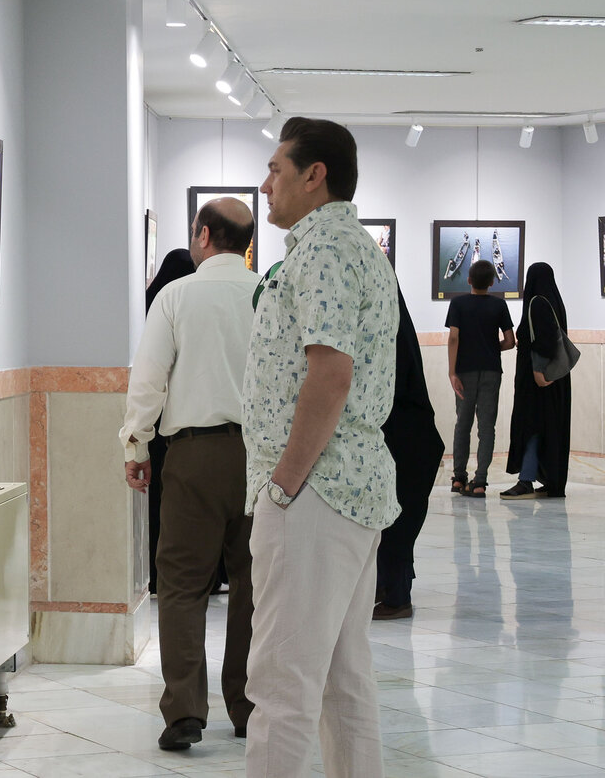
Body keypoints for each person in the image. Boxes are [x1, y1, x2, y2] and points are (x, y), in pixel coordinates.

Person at [242, 117, 399, 778]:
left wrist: (283, 483)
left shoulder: (325, 251)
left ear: (315, 175)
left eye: (275, 169)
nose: (265, 184)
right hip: (346, 489)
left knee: (282, 683)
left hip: (316, 491)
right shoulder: (352, 247)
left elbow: (331, 374)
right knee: (341, 678)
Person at [121, 198, 258, 751]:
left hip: (193, 455)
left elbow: (149, 379)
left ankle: (184, 711)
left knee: (180, 583)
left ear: (202, 235)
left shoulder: (175, 296)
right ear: (246, 242)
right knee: (253, 584)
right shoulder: (269, 294)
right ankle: (248, 705)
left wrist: (136, 443)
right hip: (262, 457)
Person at [374, 286, 445, 620]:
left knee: (395, 525)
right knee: (394, 524)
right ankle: (388, 589)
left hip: (404, 437)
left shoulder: (383, 336)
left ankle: (397, 597)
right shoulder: (395, 327)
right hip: (409, 434)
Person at [142, 248, 197, 594]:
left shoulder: (150, 305)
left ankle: (157, 573)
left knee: (160, 502)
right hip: (185, 420)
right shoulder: (188, 305)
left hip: (159, 422)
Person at [445, 259, 515, 497]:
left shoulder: (458, 303)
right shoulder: (499, 305)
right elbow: (510, 341)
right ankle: (480, 482)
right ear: (492, 283)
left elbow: (454, 338)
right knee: (486, 427)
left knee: (462, 424)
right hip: (491, 371)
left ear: (469, 280)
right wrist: (491, 348)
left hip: (464, 371)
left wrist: (452, 371)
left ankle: (459, 478)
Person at [502, 262, 572, 499]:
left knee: (530, 426)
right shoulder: (554, 301)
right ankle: (551, 479)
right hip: (556, 379)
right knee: (548, 428)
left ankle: (526, 480)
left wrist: (538, 374)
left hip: (537, 381)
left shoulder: (537, 303)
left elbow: (543, 342)